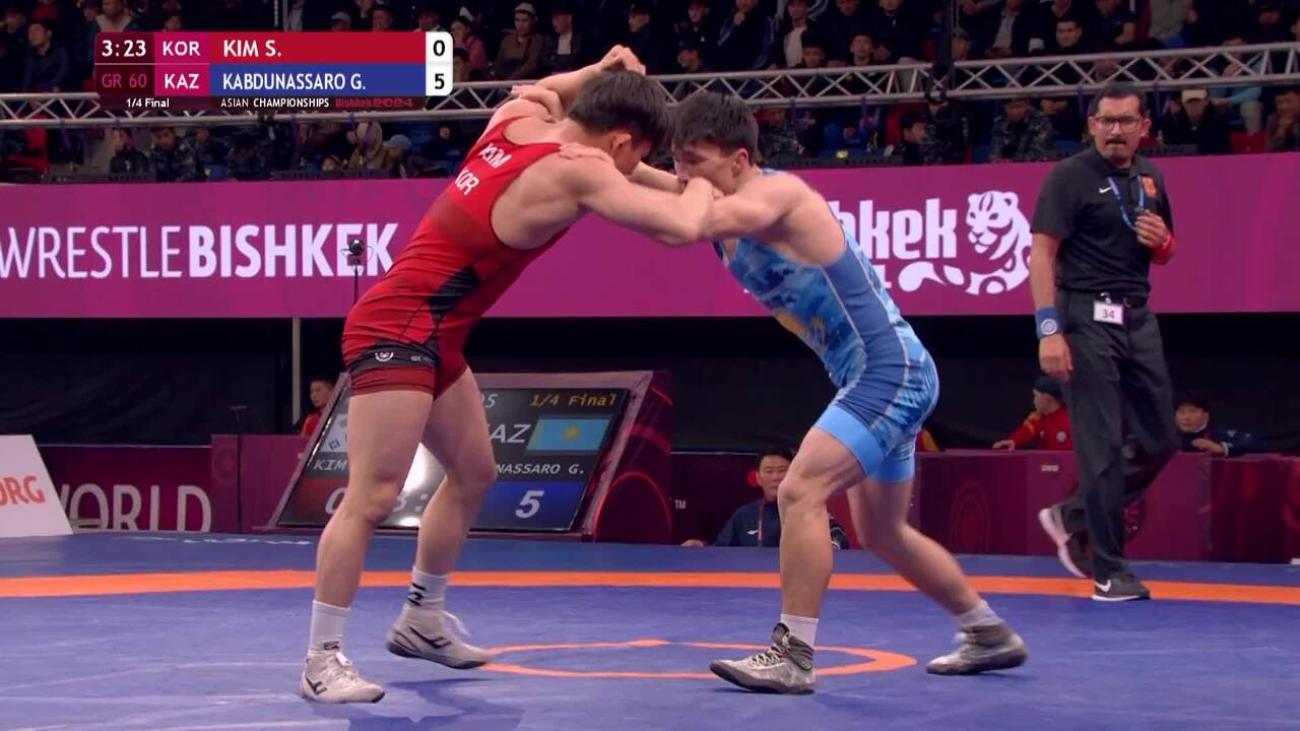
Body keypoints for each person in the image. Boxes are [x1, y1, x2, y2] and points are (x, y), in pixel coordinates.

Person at [570, 91, 1027, 694]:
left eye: (694, 161)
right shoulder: (716, 191)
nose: (683, 174)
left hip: (889, 372)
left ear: (739, 160)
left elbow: (686, 221)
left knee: (800, 490)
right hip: (879, 376)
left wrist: (606, 181)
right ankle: (988, 631)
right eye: (676, 159)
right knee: (884, 533)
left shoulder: (780, 198)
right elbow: (656, 183)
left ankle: (793, 656)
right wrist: (587, 149)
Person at [301, 47, 717, 704]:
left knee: (475, 473)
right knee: (372, 497)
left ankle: (421, 618)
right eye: (638, 153)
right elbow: (681, 227)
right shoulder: (578, 170)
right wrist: (713, 186)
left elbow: (551, 87)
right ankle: (320, 660)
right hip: (396, 329)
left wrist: (602, 69)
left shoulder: (517, 120)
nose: (636, 166)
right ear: (618, 141)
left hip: (436, 332)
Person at [1030, 83, 1179, 601]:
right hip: (1085, 316)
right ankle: (1109, 571)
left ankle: (1072, 515)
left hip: (1137, 316)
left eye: (1126, 121)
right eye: (1106, 121)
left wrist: (1164, 243)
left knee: (1162, 439)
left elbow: (1166, 251)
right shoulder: (1069, 176)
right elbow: (1042, 254)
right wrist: (1049, 330)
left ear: (1144, 128)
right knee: (1102, 447)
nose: (1116, 131)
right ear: (1092, 125)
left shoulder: (1151, 177)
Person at [681, 447, 850, 549]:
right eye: (769, 471)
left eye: (782, 470)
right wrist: (701, 547)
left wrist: (833, 546)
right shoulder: (744, 515)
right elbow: (721, 550)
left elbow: (839, 537)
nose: (775, 477)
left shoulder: (810, 510)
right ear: (758, 478)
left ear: (793, 474)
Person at [992, 375, 1072, 451]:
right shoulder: (1037, 417)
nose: (1034, 400)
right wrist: (1013, 441)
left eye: (1036, 396)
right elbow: (1026, 431)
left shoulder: (1071, 420)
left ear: (1048, 398)